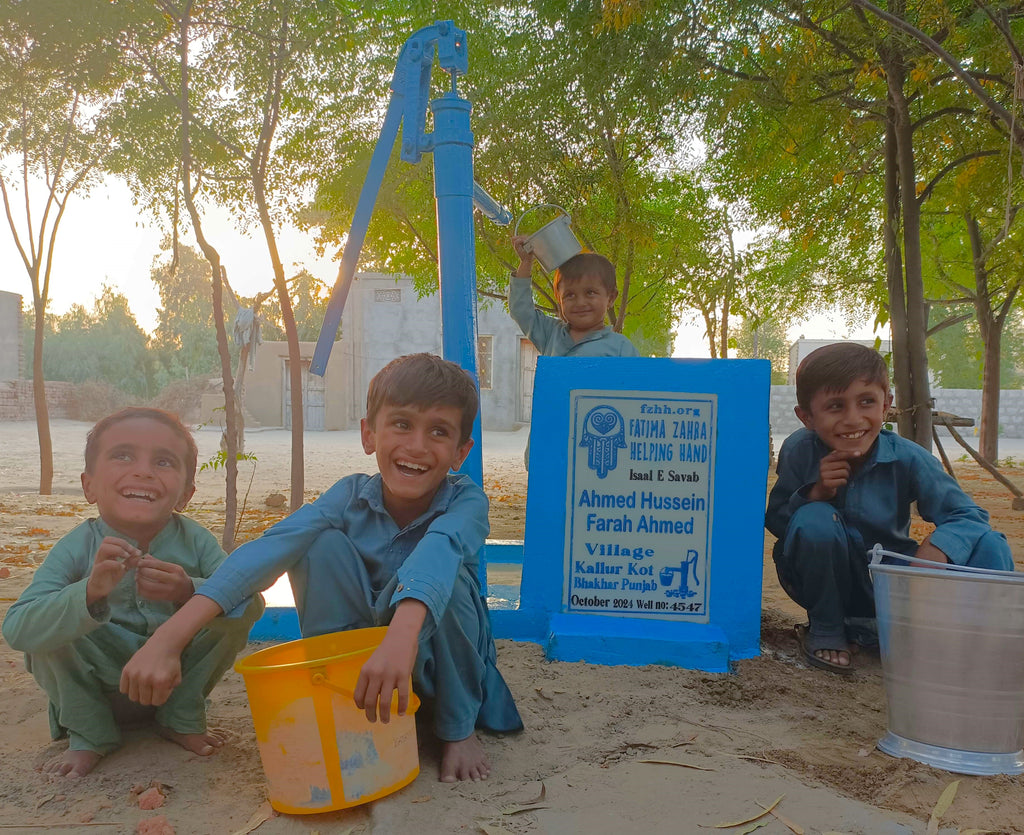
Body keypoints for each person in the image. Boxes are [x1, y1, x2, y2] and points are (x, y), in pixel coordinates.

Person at [120, 353, 523, 783]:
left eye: (439, 432)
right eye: (402, 424)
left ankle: (456, 730)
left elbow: (439, 550)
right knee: (316, 543)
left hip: (433, 665)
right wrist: (170, 636)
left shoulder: (466, 501)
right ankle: (346, 700)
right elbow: (270, 549)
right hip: (367, 661)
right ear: (369, 434)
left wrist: (401, 638)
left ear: (461, 452)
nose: (417, 446)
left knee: (453, 578)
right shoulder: (348, 496)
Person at [2, 407, 263, 778]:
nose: (143, 471)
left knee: (232, 612)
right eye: (122, 455)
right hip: (99, 689)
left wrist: (191, 592)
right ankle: (90, 734)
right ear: (88, 485)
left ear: (186, 494)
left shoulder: (197, 541)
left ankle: (180, 717)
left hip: (173, 684)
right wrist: (89, 593)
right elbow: (18, 628)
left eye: (163, 461)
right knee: (49, 628)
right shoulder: (75, 547)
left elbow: (252, 604)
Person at [766, 342, 1014, 674]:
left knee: (990, 544)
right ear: (807, 417)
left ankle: (982, 646)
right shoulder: (799, 450)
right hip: (830, 586)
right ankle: (828, 629)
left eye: (866, 402)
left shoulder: (909, 458)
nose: (853, 419)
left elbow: (969, 516)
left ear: (886, 405)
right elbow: (778, 522)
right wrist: (816, 492)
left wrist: (939, 549)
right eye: (835, 406)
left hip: (900, 588)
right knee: (814, 518)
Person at [509, 237, 639, 466]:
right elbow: (521, 309)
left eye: (590, 292)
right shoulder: (550, 334)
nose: (580, 302)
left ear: (610, 298)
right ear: (559, 300)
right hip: (548, 450)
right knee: (548, 501)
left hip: (597, 452)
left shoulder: (621, 347)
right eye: (569, 295)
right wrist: (526, 263)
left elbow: (636, 399)